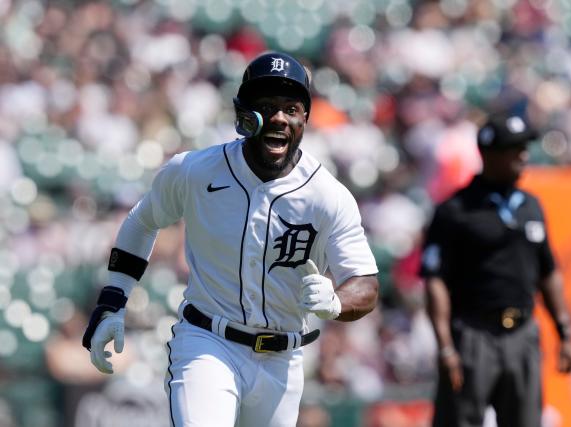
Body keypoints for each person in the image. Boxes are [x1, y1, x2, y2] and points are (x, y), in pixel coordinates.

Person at [81, 51, 379, 427]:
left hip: (283, 359)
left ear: (305, 118)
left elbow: (366, 284)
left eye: (291, 108)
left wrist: (336, 301)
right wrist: (113, 299)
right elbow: (142, 222)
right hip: (208, 342)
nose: (279, 118)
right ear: (243, 114)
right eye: (267, 106)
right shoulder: (194, 170)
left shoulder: (327, 195)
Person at [420, 113, 571, 427]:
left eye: (524, 147)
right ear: (489, 154)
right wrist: (446, 347)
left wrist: (565, 332)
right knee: (459, 421)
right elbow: (435, 280)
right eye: (513, 148)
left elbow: (548, 272)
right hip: (472, 334)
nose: (523, 156)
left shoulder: (531, 206)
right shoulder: (455, 210)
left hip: (522, 331)